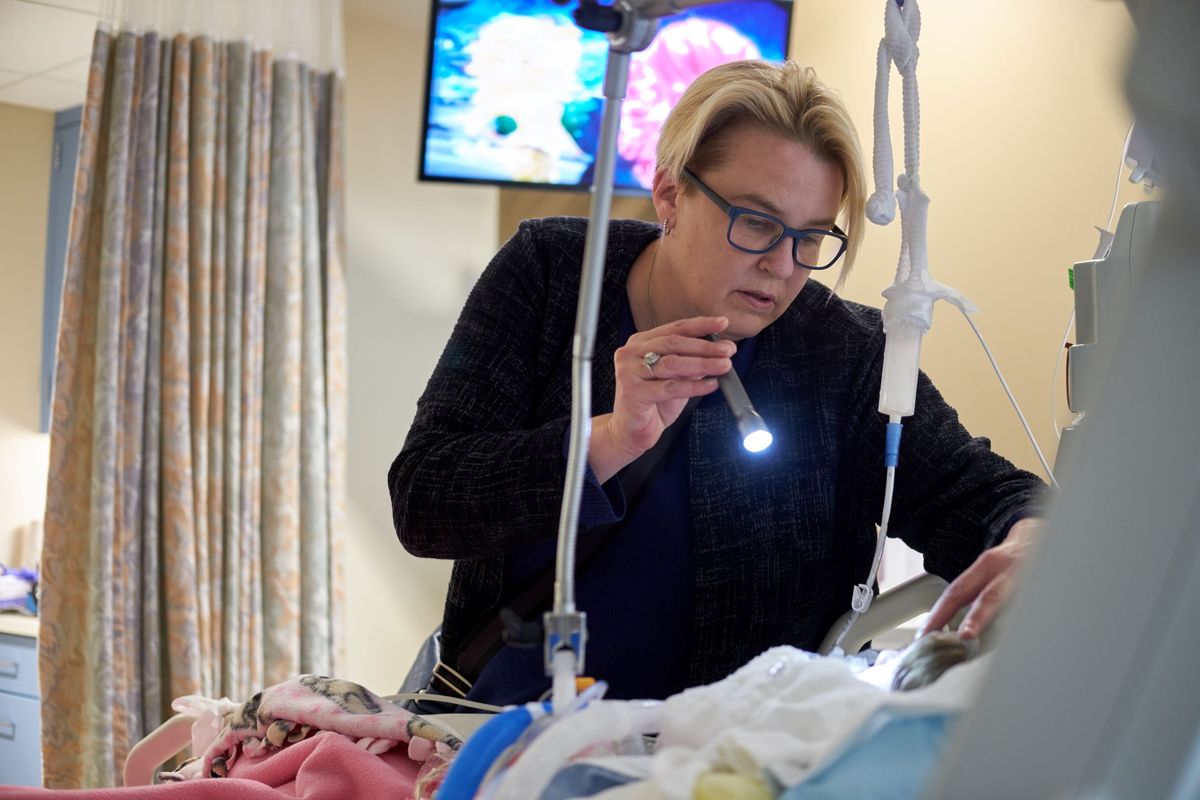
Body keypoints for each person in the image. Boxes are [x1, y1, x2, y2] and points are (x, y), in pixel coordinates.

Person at [388, 59, 1046, 706]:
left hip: (714, 757)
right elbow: (424, 503)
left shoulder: (845, 353)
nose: (782, 266)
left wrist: (1033, 535)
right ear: (671, 192)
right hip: (504, 734)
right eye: (757, 222)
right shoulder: (555, 276)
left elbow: (977, 493)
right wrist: (609, 440)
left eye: (811, 236)